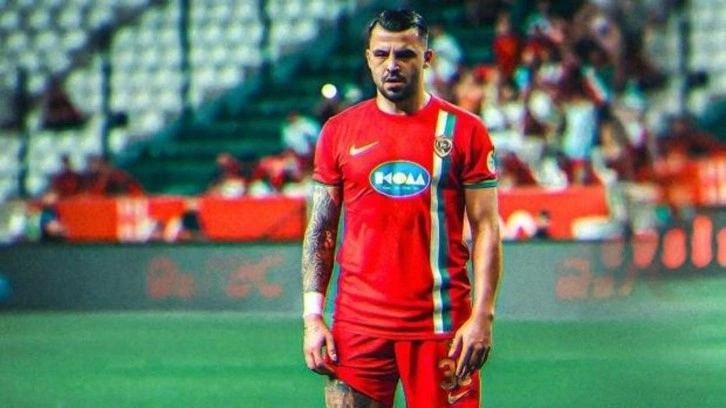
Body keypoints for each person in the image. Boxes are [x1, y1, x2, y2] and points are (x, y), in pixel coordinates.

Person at [301, 9, 502, 408]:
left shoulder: (465, 131)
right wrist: (312, 317)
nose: (392, 65)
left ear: (426, 58)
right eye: (382, 54)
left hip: (440, 324)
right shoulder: (339, 132)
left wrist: (483, 316)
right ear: (368, 58)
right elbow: (321, 228)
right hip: (357, 325)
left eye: (405, 54)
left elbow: (486, 228)